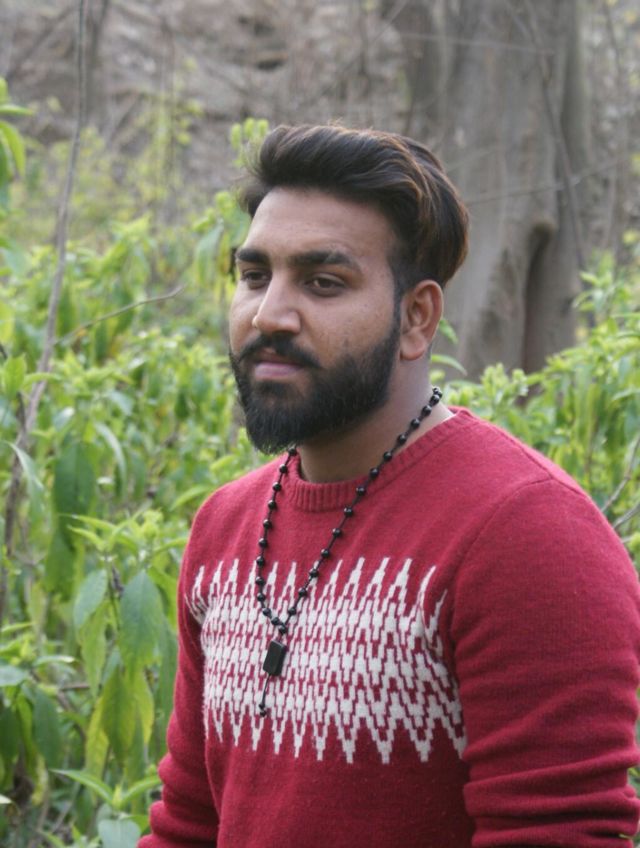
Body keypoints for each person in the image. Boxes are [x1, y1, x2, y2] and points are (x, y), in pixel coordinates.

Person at [139, 125, 640, 847]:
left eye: (323, 282)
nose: (269, 314)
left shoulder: (527, 534)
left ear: (416, 317)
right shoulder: (226, 526)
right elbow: (189, 822)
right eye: (254, 276)